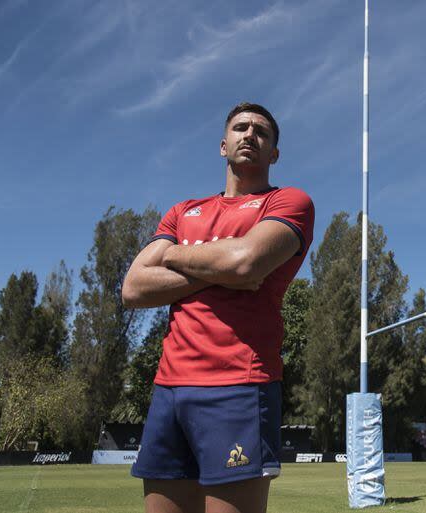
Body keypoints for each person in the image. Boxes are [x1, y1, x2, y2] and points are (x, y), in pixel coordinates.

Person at [122, 102, 314, 513]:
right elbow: (135, 287)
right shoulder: (183, 211)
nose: (250, 135)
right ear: (222, 145)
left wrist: (175, 256)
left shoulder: (288, 202)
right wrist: (223, 267)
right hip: (169, 388)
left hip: (238, 384)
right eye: (240, 128)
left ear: (274, 154)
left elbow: (246, 262)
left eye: (262, 132)